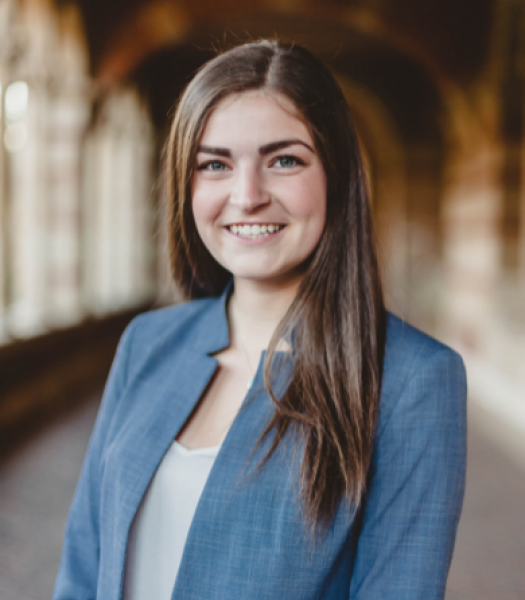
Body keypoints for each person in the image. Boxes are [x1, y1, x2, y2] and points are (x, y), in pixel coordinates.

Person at [52, 40, 467, 600]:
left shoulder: (413, 380)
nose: (246, 196)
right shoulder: (147, 342)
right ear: (187, 183)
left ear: (337, 176)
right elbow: (83, 567)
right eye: (215, 164)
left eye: (284, 160)